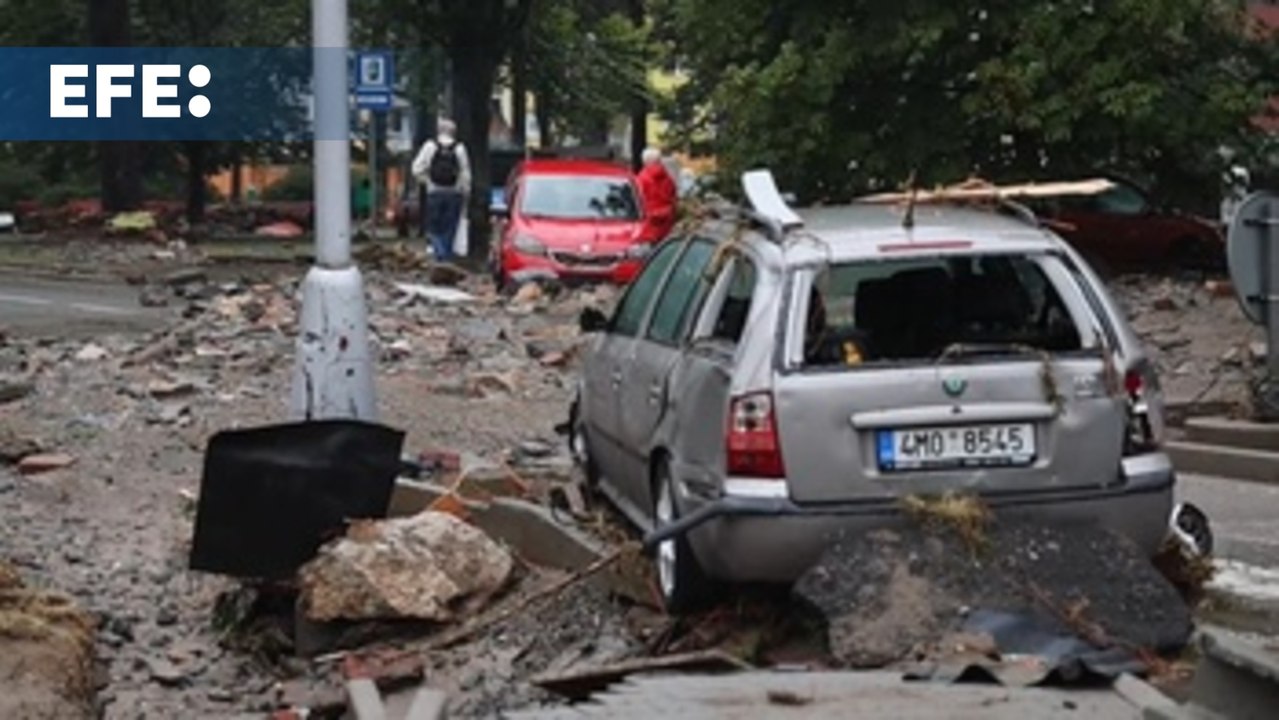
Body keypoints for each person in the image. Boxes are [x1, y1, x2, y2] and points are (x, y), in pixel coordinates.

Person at [411, 119, 471, 262]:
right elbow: (465, 173)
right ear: (453, 132)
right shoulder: (460, 148)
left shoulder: (430, 146)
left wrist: (427, 181)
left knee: (434, 228)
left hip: (434, 193)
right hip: (454, 194)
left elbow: (416, 169)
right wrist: (465, 191)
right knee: (450, 228)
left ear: (439, 131)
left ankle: (440, 254)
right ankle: (446, 256)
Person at [636, 147, 678, 243]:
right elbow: (673, 196)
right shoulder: (667, 178)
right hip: (666, 222)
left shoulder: (641, 178)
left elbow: (638, 200)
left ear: (645, 161)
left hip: (649, 223)